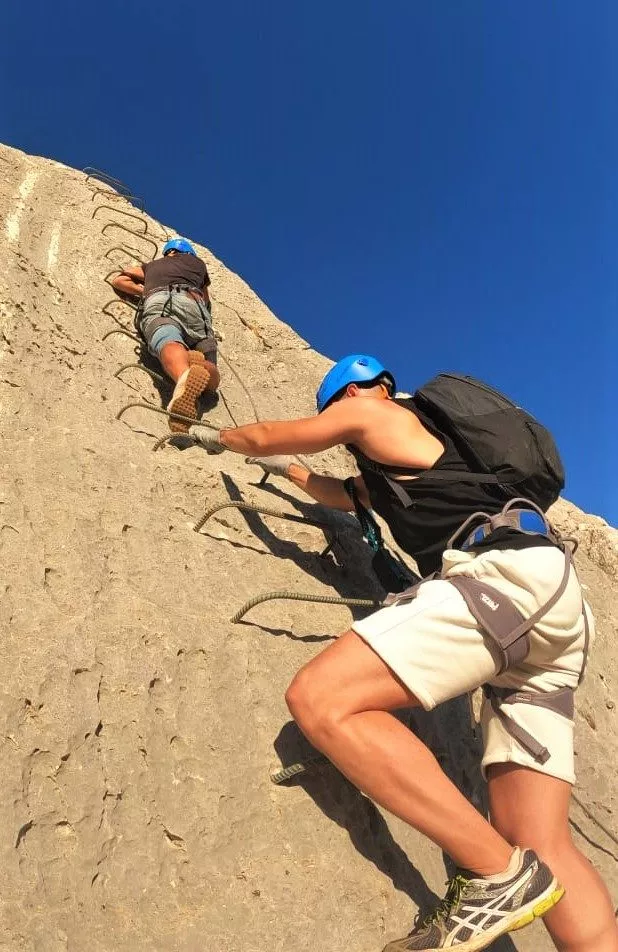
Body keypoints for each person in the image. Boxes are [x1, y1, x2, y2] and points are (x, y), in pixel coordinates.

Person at [186, 354, 617, 952]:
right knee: (543, 839)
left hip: (503, 584)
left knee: (323, 700)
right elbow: (335, 492)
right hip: (554, 604)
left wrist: (216, 436)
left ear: (360, 393)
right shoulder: (419, 457)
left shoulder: (371, 412)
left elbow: (266, 435)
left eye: (335, 409)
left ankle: (496, 873)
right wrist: (289, 474)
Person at [111, 237, 220, 432]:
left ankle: (183, 375)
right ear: (189, 253)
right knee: (210, 366)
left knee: (167, 338)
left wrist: (145, 289)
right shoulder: (198, 265)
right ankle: (202, 366)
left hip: (162, 300)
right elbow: (206, 299)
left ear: (168, 252)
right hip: (195, 306)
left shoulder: (153, 265)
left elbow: (119, 279)